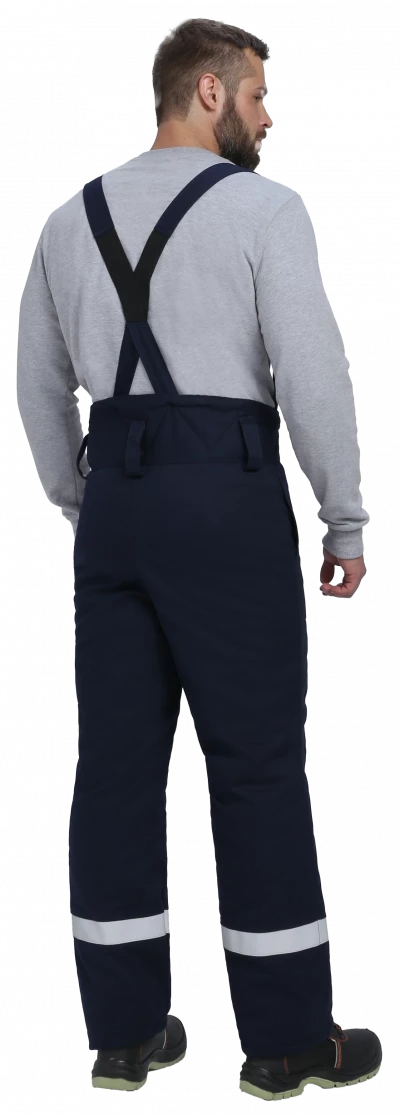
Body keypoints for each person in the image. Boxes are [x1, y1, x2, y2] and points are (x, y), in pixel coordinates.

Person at [16, 16, 379, 1102]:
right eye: (259, 95)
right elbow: (313, 373)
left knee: (115, 770)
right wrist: (345, 520)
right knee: (255, 763)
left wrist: (88, 504)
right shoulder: (266, 210)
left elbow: (38, 394)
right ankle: (285, 1046)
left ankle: (123, 1037)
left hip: (116, 500)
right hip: (225, 493)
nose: (269, 117)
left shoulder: (68, 220)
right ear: (208, 92)